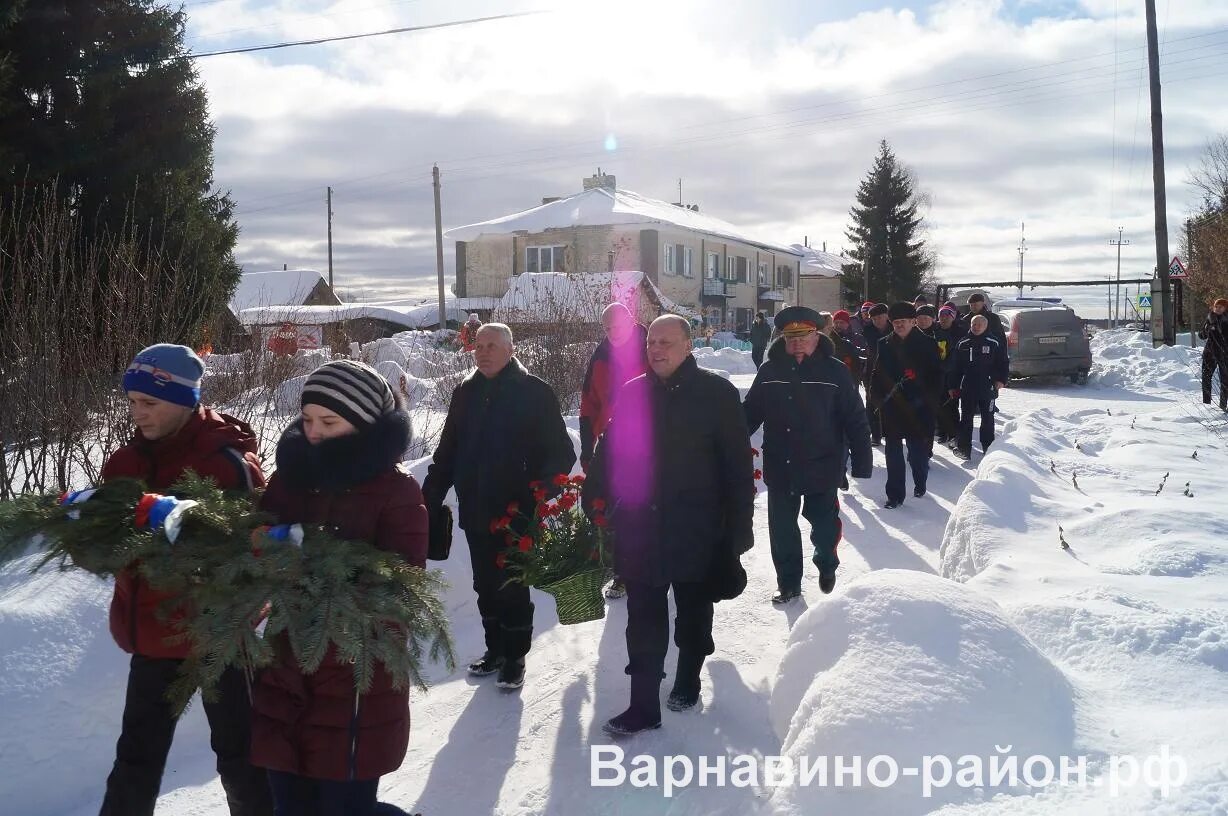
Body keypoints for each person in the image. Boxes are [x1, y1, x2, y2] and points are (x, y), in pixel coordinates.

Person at [99, 344, 272, 816]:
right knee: (136, 758)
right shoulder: (123, 464)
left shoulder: (226, 463)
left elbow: (253, 551)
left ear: (184, 400)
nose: (138, 413)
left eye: (149, 402)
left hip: (221, 638)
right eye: (132, 402)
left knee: (241, 756)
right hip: (155, 632)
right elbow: (108, 544)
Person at [251, 361, 426, 816]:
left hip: (353, 684)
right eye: (307, 419)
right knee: (289, 806)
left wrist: (311, 565)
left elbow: (400, 586)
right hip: (284, 673)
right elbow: (257, 546)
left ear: (364, 424)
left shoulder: (397, 492)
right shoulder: (290, 479)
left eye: (328, 422)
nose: (313, 432)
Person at [585, 315, 754, 735]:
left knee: (693, 611)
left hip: (697, 527)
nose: (656, 349)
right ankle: (643, 705)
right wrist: (594, 492)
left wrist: (737, 533)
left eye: (666, 342)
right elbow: (611, 448)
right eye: (652, 343)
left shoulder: (716, 394)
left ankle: (688, 679)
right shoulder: (633, 391)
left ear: (688, 346)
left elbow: (737, 468)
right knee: (642, 617)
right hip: (641, 526)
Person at [422, 323, 575, 690]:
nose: (484, 352)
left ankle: (515, 657)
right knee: (484, 585)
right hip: (476, 507)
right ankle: (495, 650)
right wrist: (429, 495)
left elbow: (561, 453)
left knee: (512, 584)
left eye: (492, 346)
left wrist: (537, 496)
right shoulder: (465, 393)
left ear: (511, 349)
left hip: (516, 511)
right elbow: (448, 450)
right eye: (479, 346)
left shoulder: (534, 392)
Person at [744, 307, 872, 603]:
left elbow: (855, 418)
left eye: (803, 337)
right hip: (780, 462)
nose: (797, 343)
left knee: (824, 525)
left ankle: (827, 562)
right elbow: (749, 413)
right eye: (791, 338)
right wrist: (727, 442)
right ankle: (788, 583)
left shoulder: (835, 371)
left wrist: (862, 462)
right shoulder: (770, 371)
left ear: (817, 336)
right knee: (782, 529)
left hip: (822, 463)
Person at [579, 302, 649, 600]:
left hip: (650, 442)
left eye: (616, 326)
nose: (612, 333)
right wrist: (587, 446)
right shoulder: (601, 355)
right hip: (613, 442)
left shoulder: (652, 346)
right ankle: (622, 572)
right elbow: (589, 402)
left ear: (631, 321)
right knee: (614, 506)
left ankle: (655, 564)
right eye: (606, 328)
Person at [870, 303, 942, 508]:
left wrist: (929, 402)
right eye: (895, 322)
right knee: (893, 452)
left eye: (903, 322)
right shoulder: (884, 343)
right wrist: (875, 398)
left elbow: (937, 377)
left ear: (913, 322)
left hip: (919, 408)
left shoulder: (928, 343)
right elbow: (877, 373)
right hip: (892, 407)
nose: (899, 325)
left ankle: (920, 481)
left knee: (917, 453)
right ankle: (895, 495)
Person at [949, 315, 1009, 461]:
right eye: (974, 324)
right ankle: (964, 448)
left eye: (979, 325)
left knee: (987, 418)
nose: (976, 327)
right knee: (966, 417)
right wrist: (952, 386)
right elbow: (955, 367)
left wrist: (1001, 380)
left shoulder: (994, 342)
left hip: (988, 386)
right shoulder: (963, 343)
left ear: (985, 326)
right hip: (968, 387)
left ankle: (988, 447)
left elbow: (1003, 363)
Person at [862, 303, 891, 445]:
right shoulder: (867, 331)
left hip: (891, 371)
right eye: (874, 319)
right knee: (872, 402)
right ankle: (875, 435)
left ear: (886, 316)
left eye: (880, 317)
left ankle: (891, 431)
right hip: (872, 370)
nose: (877, 321)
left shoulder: (894, 329)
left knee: (891, 403)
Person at [932, 305, 961, 443]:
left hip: (953, 373)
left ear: (953, 317)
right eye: (941, 316)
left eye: (947, 316)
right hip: (937, 373)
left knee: (952, 405)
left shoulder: (960, 331)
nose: (944, 318)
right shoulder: (934, 331)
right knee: (939, 404)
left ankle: (954, 434)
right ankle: (941, 432)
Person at [1199, 298, 1228, 411]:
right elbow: (1201, 336)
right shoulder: (1210, 318)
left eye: (1220, 307)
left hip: (1224, 353)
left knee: (1225, 380)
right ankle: (1207, 405)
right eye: (1216, 306)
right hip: (1210, 352)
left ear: (1225, 308)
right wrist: (1206, 329)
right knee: (1206, 377)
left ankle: (1223, 405)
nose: (1217, 309)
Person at [828, 309, 865, 381]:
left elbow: (862, 357)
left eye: (842, 322)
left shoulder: (858, 338)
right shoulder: (830, 338)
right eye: (836, 322)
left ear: (848, 324)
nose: (838, 325)